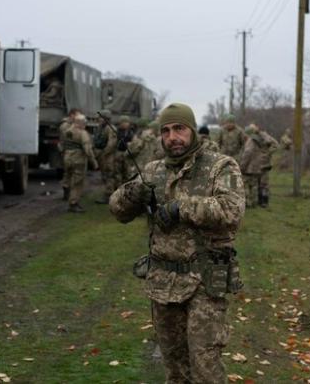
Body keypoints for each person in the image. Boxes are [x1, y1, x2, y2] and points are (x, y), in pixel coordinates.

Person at [109, 103, 245, 383]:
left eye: (180, 129)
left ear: (192, 131)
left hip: (205, 280)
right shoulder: (153, 170)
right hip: (163, 282)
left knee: (205, 364)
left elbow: (231, 210)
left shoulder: (219, 166)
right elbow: (118, 210)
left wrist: (180, 208)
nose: (173, 137)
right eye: (166, 131)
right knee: (175, 366)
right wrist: (135, 193)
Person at [62, 114, 98, 212]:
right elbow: (87, 149)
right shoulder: (82, 133)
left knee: (68, 177)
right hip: (78, 159)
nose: (85, 125)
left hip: (67, 157)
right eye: (84, 123)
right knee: (77, 182)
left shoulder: (67, 131)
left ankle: (66, 192)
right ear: (81, 123)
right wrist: (94, 162)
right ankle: (73, 203)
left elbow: (62, 144)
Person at [93, 109, 118, 204]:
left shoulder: (111, 128)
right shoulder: (101, 128)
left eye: (100, 118)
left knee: (109, 175)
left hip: (108, 157)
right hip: (102, 156)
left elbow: (111, 144)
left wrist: (104, 153)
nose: (99, 119)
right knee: (105, 175)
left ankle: (109, 195)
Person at [59, 108, 81, 200]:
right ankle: (67, 191)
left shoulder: (73, 125)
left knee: (73, 173)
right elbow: (68, 137)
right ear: (71, 115)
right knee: (68, 172)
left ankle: (71, 192)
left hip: (73, 152)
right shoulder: (65, 125)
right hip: (68, 151)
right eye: (77, 115)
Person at [113, 115, 134, 188]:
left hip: (127, 153)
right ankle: (118, 188)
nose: (126, 124)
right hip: (118, 152)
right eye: (124, 122)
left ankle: (125, 188)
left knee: (127, 172)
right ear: (120, 123)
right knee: (117, 172)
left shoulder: (131, 131)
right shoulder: (116, 131)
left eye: (127, 122)